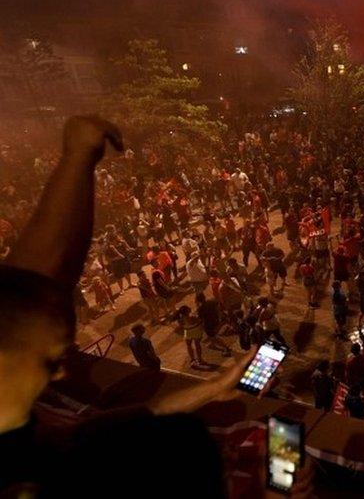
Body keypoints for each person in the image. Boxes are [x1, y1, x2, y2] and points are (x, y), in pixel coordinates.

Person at [0, 116, 254, 496]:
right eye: (49, 361)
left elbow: (94, 431)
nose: (59, 376)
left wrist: (213, 387)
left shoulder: (16, 435)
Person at [196, 292, 232, 357]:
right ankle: (212, 343)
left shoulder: (200, 309)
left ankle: (226, 347)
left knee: (214, 336)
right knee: (212, 336)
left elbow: (200, 319)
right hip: (215, 320)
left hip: (208, 324)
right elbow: (218, 308)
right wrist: (220, 317)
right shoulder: (211, 302)